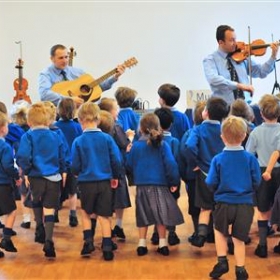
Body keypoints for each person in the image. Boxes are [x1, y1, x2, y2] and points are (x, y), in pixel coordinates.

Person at [206, 116, 261, 280]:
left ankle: (222, 261)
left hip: (223, 203)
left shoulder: (217, 159)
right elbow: (257, 181)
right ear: (245, 136)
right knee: (239, 239)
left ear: (222, 136)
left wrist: (217, 190)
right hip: (245, 204)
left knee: (220, 232)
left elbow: (210, 181)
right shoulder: (251, 159)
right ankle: (241, 270)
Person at [125, 113, 184, 257]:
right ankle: (163, 244)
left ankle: (141, 244)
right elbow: (171, 164)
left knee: (142, 214)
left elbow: (128, 165)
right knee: (161, 214)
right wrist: (174, 182)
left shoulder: (136, 146)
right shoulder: (163, 145)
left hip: (142, 185)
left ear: (141, 128)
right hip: (160, 184)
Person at [71, 102, 122, 261]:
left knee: (86, 212)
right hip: (105, 181)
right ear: (98, 119)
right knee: (105, 215)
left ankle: (88, 243)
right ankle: (107, 247)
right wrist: (115, 176)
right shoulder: (107, 139)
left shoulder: (78, 141)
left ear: (80, 120)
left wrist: (77, 174)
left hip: (86, 182)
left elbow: (75, 164)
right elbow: (116, 160)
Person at [16, 102, 67, 259]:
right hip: (54, 177)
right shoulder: (55, 135)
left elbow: (23, 156)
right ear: (47, 120)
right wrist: (62, 170)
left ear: (29, 122)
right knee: (50, 208)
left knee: (36, 200)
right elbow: (62, 155)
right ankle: (49, 240)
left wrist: (27, 170)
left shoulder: (28, 136)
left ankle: (39, 227)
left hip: (35, 176)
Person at [184, 96, 229, 248]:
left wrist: (195, 163)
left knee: (205, 207)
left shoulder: (198, 129)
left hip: (204, 174)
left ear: (206, 113)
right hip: (224, 175)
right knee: (223, 208)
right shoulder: (225, 129)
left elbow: (189, 146)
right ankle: (227, 241)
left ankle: (201, 236)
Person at [203, 25, 279, 104]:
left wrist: (273, 56)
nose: (235, 43)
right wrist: (238, 85)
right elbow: (213, 79)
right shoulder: (210, 60)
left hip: (244, 106)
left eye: (235, 39)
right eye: (232, 40)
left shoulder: (242, 56)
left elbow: (261, 72)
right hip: (223, 108)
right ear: (221, 42)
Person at [246, 94, 280, 258]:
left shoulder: (255, 132)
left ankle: (262, 245)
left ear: (261, 113)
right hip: (279, 171)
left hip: (261, 172)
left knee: (263, 210)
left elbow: (249, 154)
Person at [38, 44, 125, 106]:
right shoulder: (46, 74)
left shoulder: (78, 72)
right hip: (58, 115)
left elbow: (97, 88)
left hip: (79, 114)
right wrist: (69, 100)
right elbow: (44, 94)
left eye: (66, 57)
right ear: (52, 59)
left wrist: (114, 77)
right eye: (61, 58)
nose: (65, 60)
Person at [98, 98, 132, 241]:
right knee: (119, 199)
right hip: (116, 168)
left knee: (105, 200)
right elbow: (126, 146)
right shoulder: (116, 127)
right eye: (116, 108)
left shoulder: (97, 127)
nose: (118, 110)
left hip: (102, 170)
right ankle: (118, 225)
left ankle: (109, 228)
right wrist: (130, 137)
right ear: (110, 112)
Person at [179, 101, 206, 243]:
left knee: (195, 205)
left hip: (193, 176)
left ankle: (198, 232)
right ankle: (211, 232)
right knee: (210, 204)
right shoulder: (217, 131)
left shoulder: (189, 133)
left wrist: (186, 174)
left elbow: (183, 152)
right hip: (210, 175)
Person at [153, 107, 181, 246]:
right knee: (172, 205)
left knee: (156, 204)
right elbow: (176, 162)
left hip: (155, 179)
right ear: (171, 124)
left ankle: (155, 233)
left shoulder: (150, 141)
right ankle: (171, 233)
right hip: (171, 179)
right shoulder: (174, 142)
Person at [54, 98, 83, 227]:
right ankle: (73, 215)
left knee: (56, 190)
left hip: (57, 163)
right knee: (73, 191)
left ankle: (54, 214)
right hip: (72, 163)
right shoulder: (77, 127)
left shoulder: (54, 127)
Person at [0, 112, 22, 258]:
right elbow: (8, 165)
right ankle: (6, 238)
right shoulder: (5, 146)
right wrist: (16, 176)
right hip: (2, 184)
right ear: (2, 128)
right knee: (12, 211)